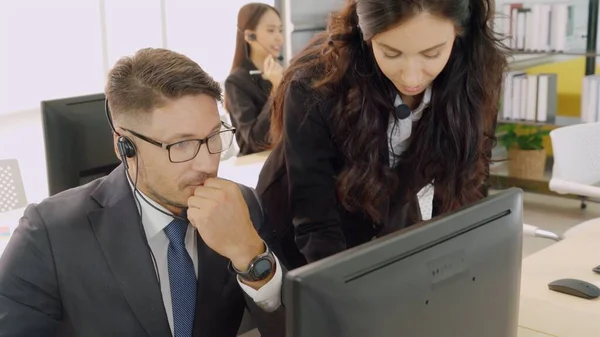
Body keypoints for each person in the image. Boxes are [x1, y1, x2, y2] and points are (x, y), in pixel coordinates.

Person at [0, 48, 285, 337]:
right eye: (181, 144)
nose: (207, 162)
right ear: (125, 147)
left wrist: (250, 255)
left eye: (213, 136)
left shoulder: (241, 205)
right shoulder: (49, 233)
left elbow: (296, 325)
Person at [257, 0, 506, 269]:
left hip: (376, 226)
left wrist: (452, 272)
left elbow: (463, 194)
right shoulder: (316, 85)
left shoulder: (474, 78)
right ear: (366, 33)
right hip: (292, 243)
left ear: (460, 32)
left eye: (432, 54)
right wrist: (340, 294)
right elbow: (316, 222)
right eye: (391, 52)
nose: (412, 78)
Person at [224, 3, 284, 156]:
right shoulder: (236, 81)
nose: (279, 37)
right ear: (250, 36)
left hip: (285, 160)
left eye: (281, 30)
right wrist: (277, 89)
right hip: (256, 166)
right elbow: (255, 140)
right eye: (271, 30)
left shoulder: (283, 72)